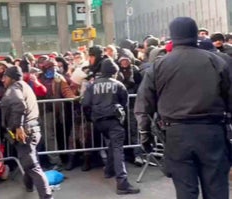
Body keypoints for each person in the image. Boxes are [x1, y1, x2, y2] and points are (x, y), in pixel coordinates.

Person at [135, 17, 231, 199]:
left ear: (173, 36)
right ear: (195, 34)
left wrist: (145, 133)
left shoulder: (159, 66)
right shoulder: (216, 61)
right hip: (212, 131)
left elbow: (144, 104)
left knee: (186, 190)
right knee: (217, 188)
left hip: (176, 134)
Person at [0, 66, 53, 199]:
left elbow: (19, 105)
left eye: (5, 77)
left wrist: (18, 126)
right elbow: (14, 103)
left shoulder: (14, 88)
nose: (3, 80)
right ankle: (28, 186)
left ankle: (47, 196)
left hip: (25, 132)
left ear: (11, 78)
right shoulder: (24, 86)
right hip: (33, 129)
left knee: (32, 165)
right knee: (29, 161)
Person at [82, 58, 140, 195]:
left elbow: (85, 104)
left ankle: (108, 171)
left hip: (98, 121)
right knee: (118, 149)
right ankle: (122, 183)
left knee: (113, 145)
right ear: (114, 72)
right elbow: (124, 103)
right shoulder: (118, 85)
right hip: (114, 120)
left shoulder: (92, 85)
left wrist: (90, 118)